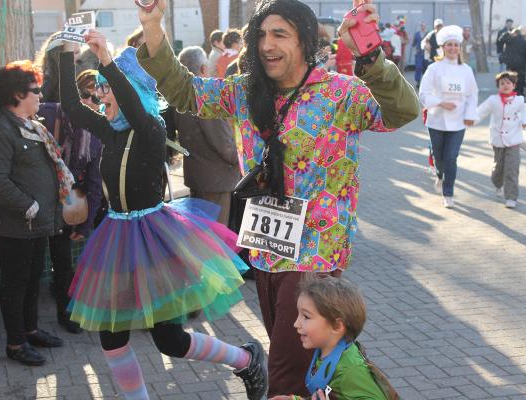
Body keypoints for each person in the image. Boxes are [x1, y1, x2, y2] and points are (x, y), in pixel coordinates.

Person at [136, 0, 420, 396]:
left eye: (279, 34)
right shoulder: (245, 92)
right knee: (298, 356)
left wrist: (369, 55)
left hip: (315, 254)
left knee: (284, 371)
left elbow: (402, 111)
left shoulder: (341, 94)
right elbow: (186, 91)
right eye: (261, 35)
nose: (267, 44)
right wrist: (152, 25)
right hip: (267, 248)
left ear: (304, 41)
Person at [59, 32, 267, 400]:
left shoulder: (150, 129)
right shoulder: (112, 131)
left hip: (154, 239)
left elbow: (135, 109)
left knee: (169, 340)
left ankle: (246, 360)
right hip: (117, 239)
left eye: (107, 90)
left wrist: (108, 60)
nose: (101, 96)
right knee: (111, 336)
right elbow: (72, 107)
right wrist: (66, 54)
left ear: (130, 90)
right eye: (100, 90)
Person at [0, 60, 70, 365]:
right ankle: (16, 344)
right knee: (16, 283)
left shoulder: (33, 125)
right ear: (17, 94)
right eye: (35, 90)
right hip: (15, 224)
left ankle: (30, 330)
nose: (40, 96)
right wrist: (27, 205)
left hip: (37, 223)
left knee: (33, 280)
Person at [36, 34, 104, 334]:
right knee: (55, 253)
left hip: (65, 184)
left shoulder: (66, 86)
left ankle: (65, 306)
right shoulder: (44, 87)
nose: (76, 58)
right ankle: (60, 306)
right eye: (71, 54)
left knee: (62, 253)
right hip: (47, 181)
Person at [269, 275, 396, 400]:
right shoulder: (324, 352)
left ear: (337, 326)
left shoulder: (351, 371)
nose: (296, 324)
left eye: (306, 317)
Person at [174, 46, 241, 225]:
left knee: (202, 239)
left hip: (197, 176)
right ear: (203, 68)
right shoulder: (207, 96)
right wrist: (244, 158)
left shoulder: (180, 96)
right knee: (215, 241)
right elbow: (226, 147)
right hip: (216, 181)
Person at [419, 25, 478, 208]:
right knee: (439, 157)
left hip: (458, 122)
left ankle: (448, 192)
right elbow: (423, 93)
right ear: (443, 47)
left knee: (451, 157)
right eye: (449, 45)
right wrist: (441, 103)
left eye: (456, 45)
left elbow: (472, 95)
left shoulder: (466, 70)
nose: (453, 48)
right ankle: (439, 174)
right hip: (436, 120)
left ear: (460, 48)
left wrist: (470, 115)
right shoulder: (434, 69)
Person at [476, 71, 526, 209]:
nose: (505, 85)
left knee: (512, 169)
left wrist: (524, 122)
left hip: (514, 139)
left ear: (514, 85)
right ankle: (498, 183)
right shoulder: (493, 100)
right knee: (498, 169)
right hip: (498, 139)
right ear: (498, 86)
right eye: (502, 83)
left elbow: (524, 112)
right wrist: (469, 120)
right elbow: (481, 111)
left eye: (508, 83)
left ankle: (511, 197)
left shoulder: (519, 100)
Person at [498, 27, 526, 95]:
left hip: (510, 65)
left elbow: (500, 40)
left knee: (511, 80)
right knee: (520, 83)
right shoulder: (524, 42)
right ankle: (520, 96)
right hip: (521, 66)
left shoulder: (509, 40)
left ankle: (511, 94)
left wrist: (507, 33)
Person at [412, 22, 428, 88]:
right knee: (418, 67)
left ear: (425, 26)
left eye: (424, 26)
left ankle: (426, 82)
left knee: (426, 68)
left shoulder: (428, 34)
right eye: (422, 26)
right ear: (420, 26)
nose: (423, 27)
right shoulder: (417, 34)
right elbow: (413, 44)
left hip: (427, 54)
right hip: (419, 53)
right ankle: (418, 81)